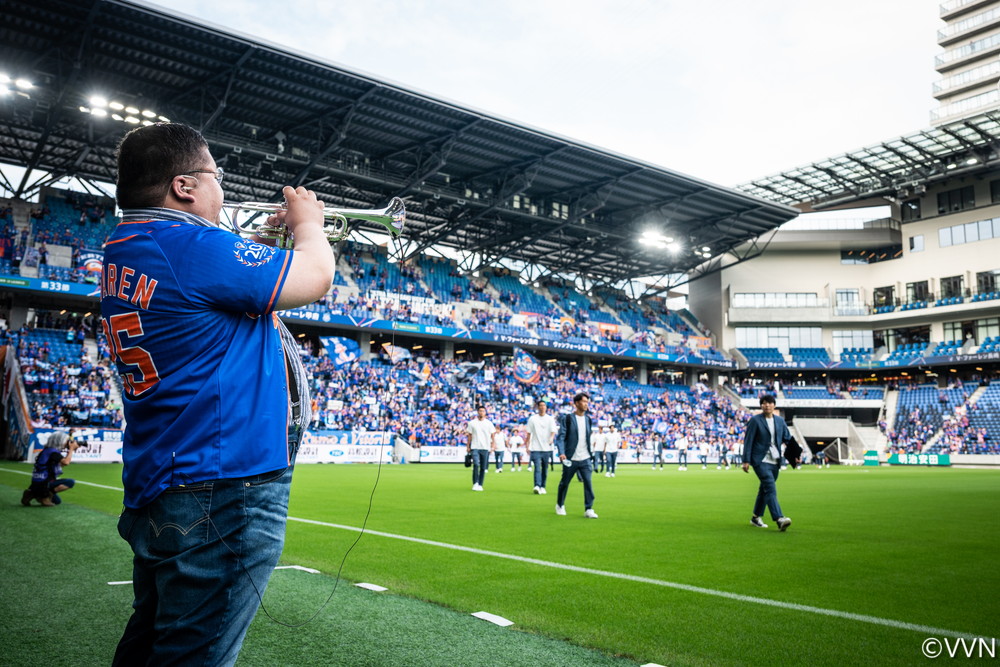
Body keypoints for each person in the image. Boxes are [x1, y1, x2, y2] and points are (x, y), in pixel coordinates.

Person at [103, 123, 334, 665]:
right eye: (216, 176)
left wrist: (261, 251)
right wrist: (309, 226)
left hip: (171, 477)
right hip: (222, 487)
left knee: (153, 646)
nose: (222, 189)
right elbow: (316, 277)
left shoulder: (132, 244)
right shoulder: (191, 245)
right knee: (194, 656)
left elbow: (206, 295)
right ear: (184, 186)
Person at [742, 394, 793, 531]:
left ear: (774, 405)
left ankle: (756, 517)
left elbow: (787, 438)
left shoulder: (780, 421)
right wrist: (746, 460)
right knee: (770, 487)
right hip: (760, 460)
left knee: (764, 490)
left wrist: (796, 454)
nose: (767, 405)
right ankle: (779, 518)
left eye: (770, 403)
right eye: (764, 403)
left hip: (775, 461)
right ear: (761, 406)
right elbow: (748, 441)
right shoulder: (755, 420)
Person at [554, 392, 598, 518]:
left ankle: (589, 509)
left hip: (585, 458)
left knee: (588, 483)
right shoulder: (567, 418)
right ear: (577, 403)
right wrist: (561, 452)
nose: (586, 404)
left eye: (587, 402)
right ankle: (560, 504)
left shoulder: (588, 420)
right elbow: (561, 437)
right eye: (584, 402)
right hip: (570, 458)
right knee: (565, 483)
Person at [22, 431, 78, 506]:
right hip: (44, 483)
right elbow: (66, 462)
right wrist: (71, 449)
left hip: (37, 483)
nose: (67, 443)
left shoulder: (47, 451)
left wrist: (71, 450)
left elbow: (60, 465)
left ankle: (32, 493)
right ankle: (44, 496)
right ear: (59, 441)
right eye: (66, 441)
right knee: (70, 482)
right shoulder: (52, 452)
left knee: (57, 501)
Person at [526, 400, 557, 494]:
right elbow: (528, 433)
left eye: (544, 405)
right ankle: (537, 485)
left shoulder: (550, 419)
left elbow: (553, 431)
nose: (543, 407)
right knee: (537, 467)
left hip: (547, 448)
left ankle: (543, 486)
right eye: (541, 405)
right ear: (537, 407)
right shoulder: (533, 419)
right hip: (535, 447)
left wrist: (551, 438)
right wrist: (527, 446)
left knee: (545, 468)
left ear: (546, 407)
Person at [466, 404, 496, 491]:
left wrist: (493, 446)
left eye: (483, 411)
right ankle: (475, 483)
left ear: (485, 412)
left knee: (483, 467)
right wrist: (468, 446)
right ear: (477, 412)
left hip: (485, 447)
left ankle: (480, 484)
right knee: (476, 464)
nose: (481, 412)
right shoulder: (472, 423)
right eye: (480, 411)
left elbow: (492, 435)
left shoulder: (489, 423)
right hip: (475, 446)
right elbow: (469, 435)